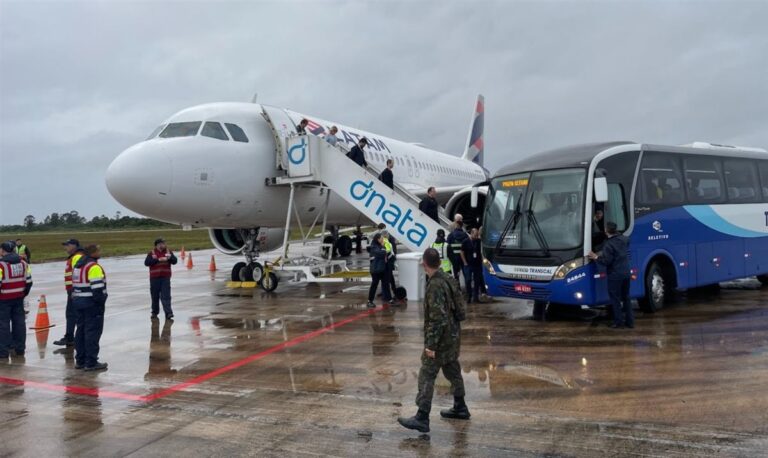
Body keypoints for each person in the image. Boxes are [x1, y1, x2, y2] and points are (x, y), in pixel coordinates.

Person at [398, 248, 469, 433]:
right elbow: (459, 311)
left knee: (427, 374)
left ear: (424, 264)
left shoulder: (435, 285)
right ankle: (460, 406)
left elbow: (437, 319)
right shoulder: (448, 279)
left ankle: (422, 416)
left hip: (441, 339)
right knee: (453, 371)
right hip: (453, 336)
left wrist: (430, 346)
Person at [589, 222, 633, 329]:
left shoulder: (609, 244)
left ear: (606, 231)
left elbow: (606, 261)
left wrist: (595, 257)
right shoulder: (624, 239)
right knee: (626, 297)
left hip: (615, 274)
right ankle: (630, 322)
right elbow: (627, 243)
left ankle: (619, 323)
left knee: (615, 299)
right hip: (626, 272)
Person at [71, 244, 108, 371]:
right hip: (91, 304)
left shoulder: (78, 266)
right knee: (92, 333)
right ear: (93, 253)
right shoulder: (93, 267)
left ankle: (80, 360)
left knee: (80, 331)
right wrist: (101, 302)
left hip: (78, 302)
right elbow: (97, 288)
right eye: (99, 250)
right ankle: (91, 361)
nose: (100, 252)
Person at [0, 241, 32, 359]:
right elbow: (29, 282)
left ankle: (3, 351)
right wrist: (22, 294)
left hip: (3, 299)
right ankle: (19, 349)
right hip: (18, 297)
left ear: (3, 251)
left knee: (3, 325)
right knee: (19, 323)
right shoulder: (24, 263)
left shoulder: (1, 265)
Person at [53, 239, 86, 347]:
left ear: (74, 246)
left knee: (72, 315)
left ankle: (71, 337)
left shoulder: (76, 257)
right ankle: (72, 337)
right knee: (72, 315)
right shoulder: (74, 256)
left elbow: (78, 274)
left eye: (67, 246)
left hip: (74, 290)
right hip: (73, 290)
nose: (65, 248)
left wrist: (74, 290)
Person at [144, 238, 178, 320]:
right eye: (161, 244)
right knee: (155, 296)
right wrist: (157, 260)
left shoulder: (168, 252)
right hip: (154, 279)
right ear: (157, 245)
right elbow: (147, 263)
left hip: (165, 278)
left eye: (163, 243)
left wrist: (169, 258)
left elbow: (175, 261)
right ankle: (154, 312)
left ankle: (169, 313)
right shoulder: (151, 253)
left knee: (166, 296)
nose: (163, 245)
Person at [460, 228, 484, 303]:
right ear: (471, 233)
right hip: (468, 264)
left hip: (477, 264)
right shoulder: (465, 241)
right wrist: (464, 262)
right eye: (475, 235)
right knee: (468, 280)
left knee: (477, 281)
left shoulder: (478, 241)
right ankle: (469, 296)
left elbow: (481, 252)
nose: (476, 236)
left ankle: (476, 297)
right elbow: (462, 252)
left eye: (477, 235)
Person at [367, 233, 391, 308]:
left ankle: (389, 299)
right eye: (381, 238)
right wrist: (384, 248)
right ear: (377, 239)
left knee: (386, 283)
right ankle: (369, 301)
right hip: (376, 269)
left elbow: (387, 252)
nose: (383, 240)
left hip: (382, 268)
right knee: (374, 284)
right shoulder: (374, 246)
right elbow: (381, 253)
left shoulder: (378, 246)